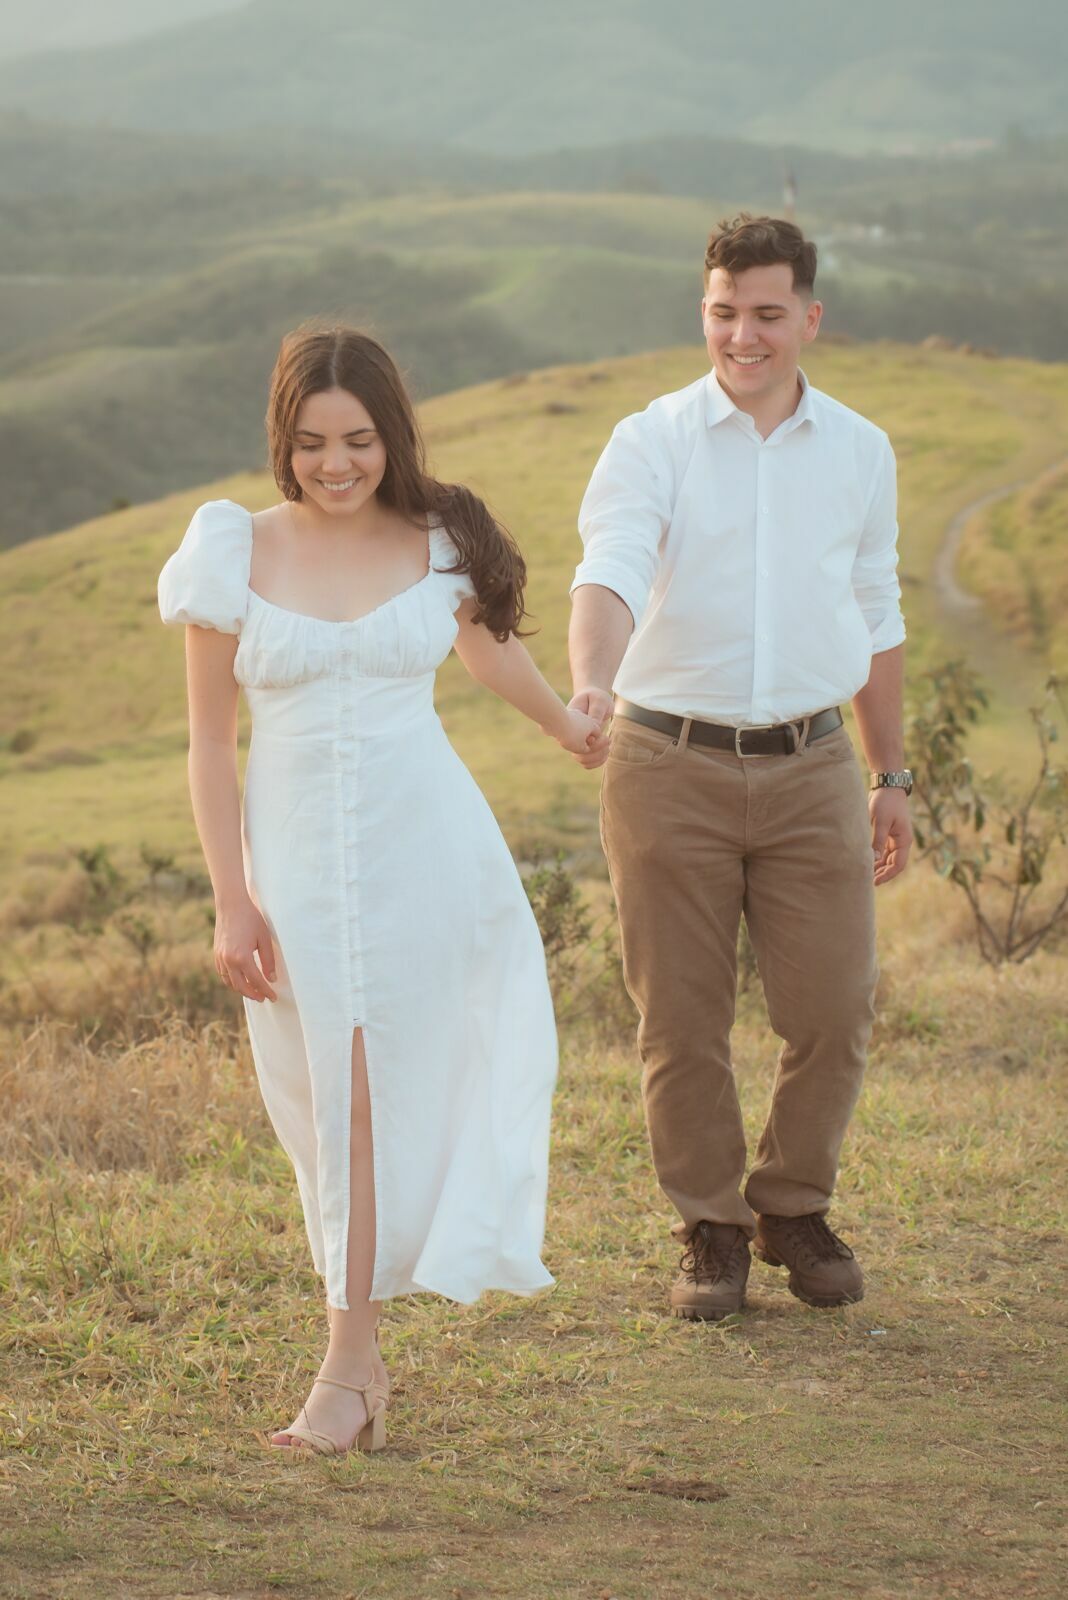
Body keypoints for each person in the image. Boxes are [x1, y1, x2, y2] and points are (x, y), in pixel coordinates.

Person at [158, 326, 602, 1454]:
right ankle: (354, 1351)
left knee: (388, 1087)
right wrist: (232, 897)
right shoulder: (230, 547)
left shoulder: (439, 537)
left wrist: (566, 725)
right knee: (328, 1102)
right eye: (311, 443)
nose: (335, 463)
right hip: (295, 860)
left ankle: (350, 1365)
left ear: (391, 434)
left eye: (356, 439)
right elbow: (210, 746)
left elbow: (488, 651)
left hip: (428, 848)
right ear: (283, 441)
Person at [567, 215, 913, 1320]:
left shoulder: (861, 449)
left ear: (810, 316)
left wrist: (890, 770)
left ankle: (793, 1204)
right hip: (667, 757)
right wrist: (590, 682)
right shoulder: (651, 440)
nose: (744, 335)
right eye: (724, 312)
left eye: (767, 313)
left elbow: (878, 609)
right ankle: (711, 1227)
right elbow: (610, 571)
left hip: (815, 762)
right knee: (681, 1015)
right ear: (703, 312)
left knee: (835, 1007)